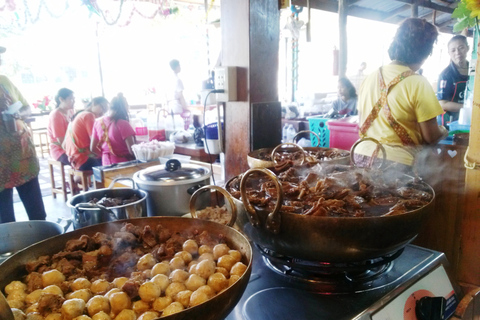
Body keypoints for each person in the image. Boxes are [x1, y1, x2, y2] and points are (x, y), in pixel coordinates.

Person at [355, 18, 448, 170]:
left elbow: (361, 122)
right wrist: (443, 131)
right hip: (396, 165)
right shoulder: (418, 82)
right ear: (426, 51)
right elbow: (431, 137)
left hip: (360, 156)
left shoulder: (369, 77)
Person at [0, 45, 47, 223]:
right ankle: (10, 251)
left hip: (23, 158)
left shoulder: (4, 81)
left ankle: (46, 244)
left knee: (38, 215)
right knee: (5, 221)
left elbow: (27, 108)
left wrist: (18, 114)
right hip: (0, 164)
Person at [90, 93, 136, 165]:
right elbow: (132, 151)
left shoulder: (98, 123)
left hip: (105, 164)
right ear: (124, 108)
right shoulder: (123, 124)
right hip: (124, 165)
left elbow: (92, 148)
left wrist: (106, 154)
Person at [64, 96, 108, 171]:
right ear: (94, 103)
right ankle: (88, 180)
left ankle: (79, 178)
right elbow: (95, 142)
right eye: (102, 108)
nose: (103, 113)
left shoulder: (80, 114)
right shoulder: (89, 115)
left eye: (105, 111)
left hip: (74, 157)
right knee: (110, 162)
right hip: (83, 159)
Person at [436, 35, 470, 125]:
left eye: (461, 48)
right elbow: (442, 103)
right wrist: (467, 108)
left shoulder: (475, 71)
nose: (458, 53)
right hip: (450, 121)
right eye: (453, 50)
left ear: (468, 48)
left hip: (470, 118)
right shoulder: (445, 75)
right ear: (449, 53)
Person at [47, 88, 74, 165]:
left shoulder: (71, 111)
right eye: (71, 99)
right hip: (59, 149)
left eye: (74, 99)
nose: (74, 102)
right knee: (83, 161)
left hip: (71, 146)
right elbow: (61, 141)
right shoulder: (56, 115)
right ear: (61, 99)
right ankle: (78, 176)